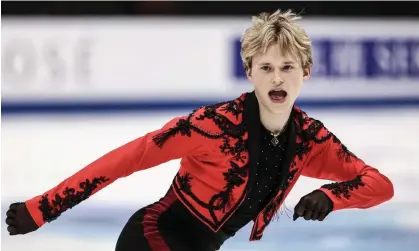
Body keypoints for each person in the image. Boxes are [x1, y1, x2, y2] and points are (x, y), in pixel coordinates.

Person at [5, 9, 394, 251]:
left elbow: (379, 183)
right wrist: (44, 207)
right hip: (152, 238)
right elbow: (127, 158)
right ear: (249, 72)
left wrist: (331, 196)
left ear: (305, 72)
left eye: (288, 67)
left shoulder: (311, 139)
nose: (277, 79)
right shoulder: (214, 126)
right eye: (266, 68)